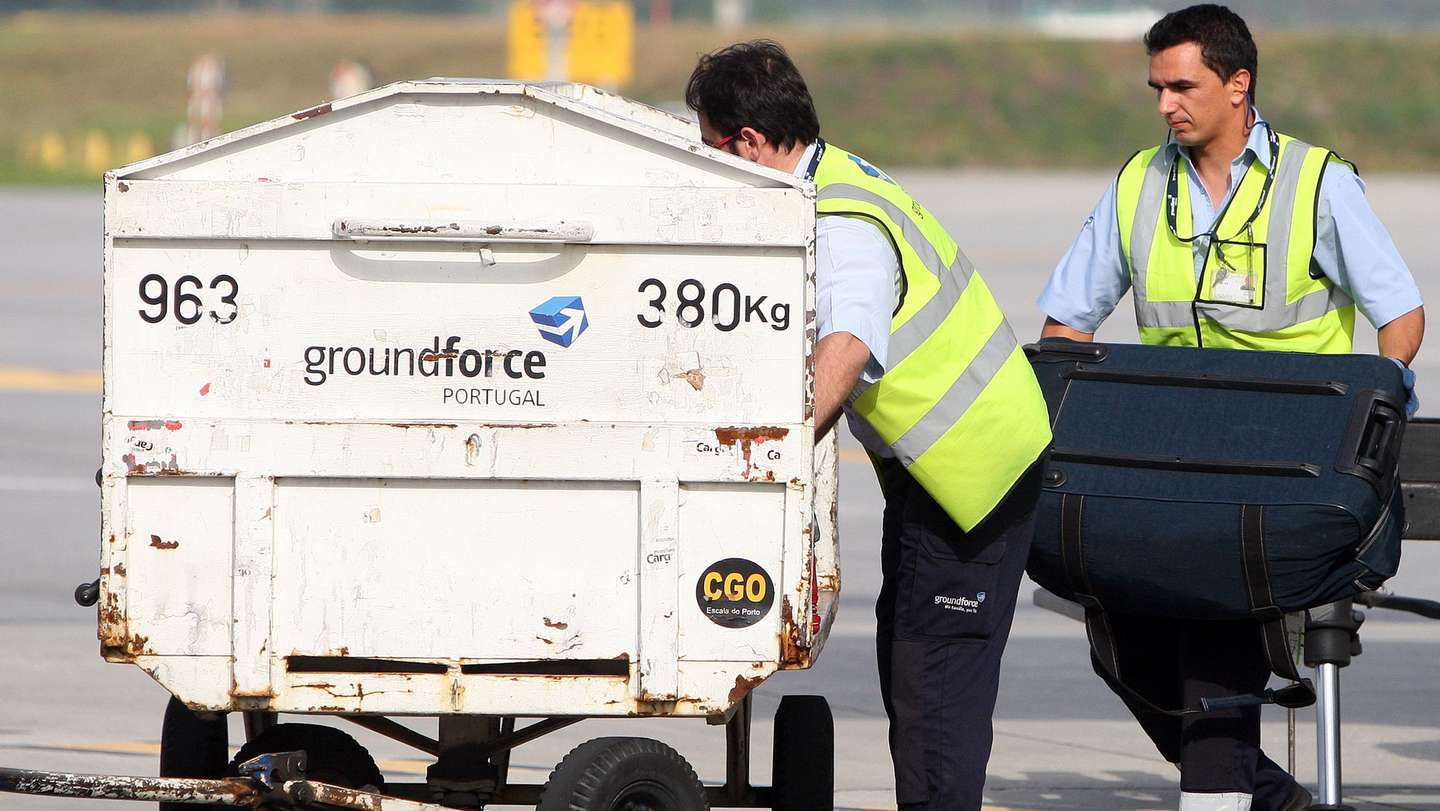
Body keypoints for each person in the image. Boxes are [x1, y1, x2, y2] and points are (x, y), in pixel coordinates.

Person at [1037, 6, 1425, 810]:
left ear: (1238, 84)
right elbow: (1064, 329)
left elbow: (1402, 317)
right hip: (1171, 459)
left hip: (1280, 471)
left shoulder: (1319, 183)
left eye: (1183, 86)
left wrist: (1364, 426)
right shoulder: (1139, 183)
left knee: (1211, 618)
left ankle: (1221, 791)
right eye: (1156, 87)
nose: (1164, 104)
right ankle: (1267, 795)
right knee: (1122, 639)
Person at [686, 40, 1052, 810]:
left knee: (932, 684)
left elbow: (846, 348)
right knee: (909, 658)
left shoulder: (843, 220)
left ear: (749, 141)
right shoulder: (841, 177)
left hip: (968, 482)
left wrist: (765, 464)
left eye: (713, 150)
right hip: (949, 471)